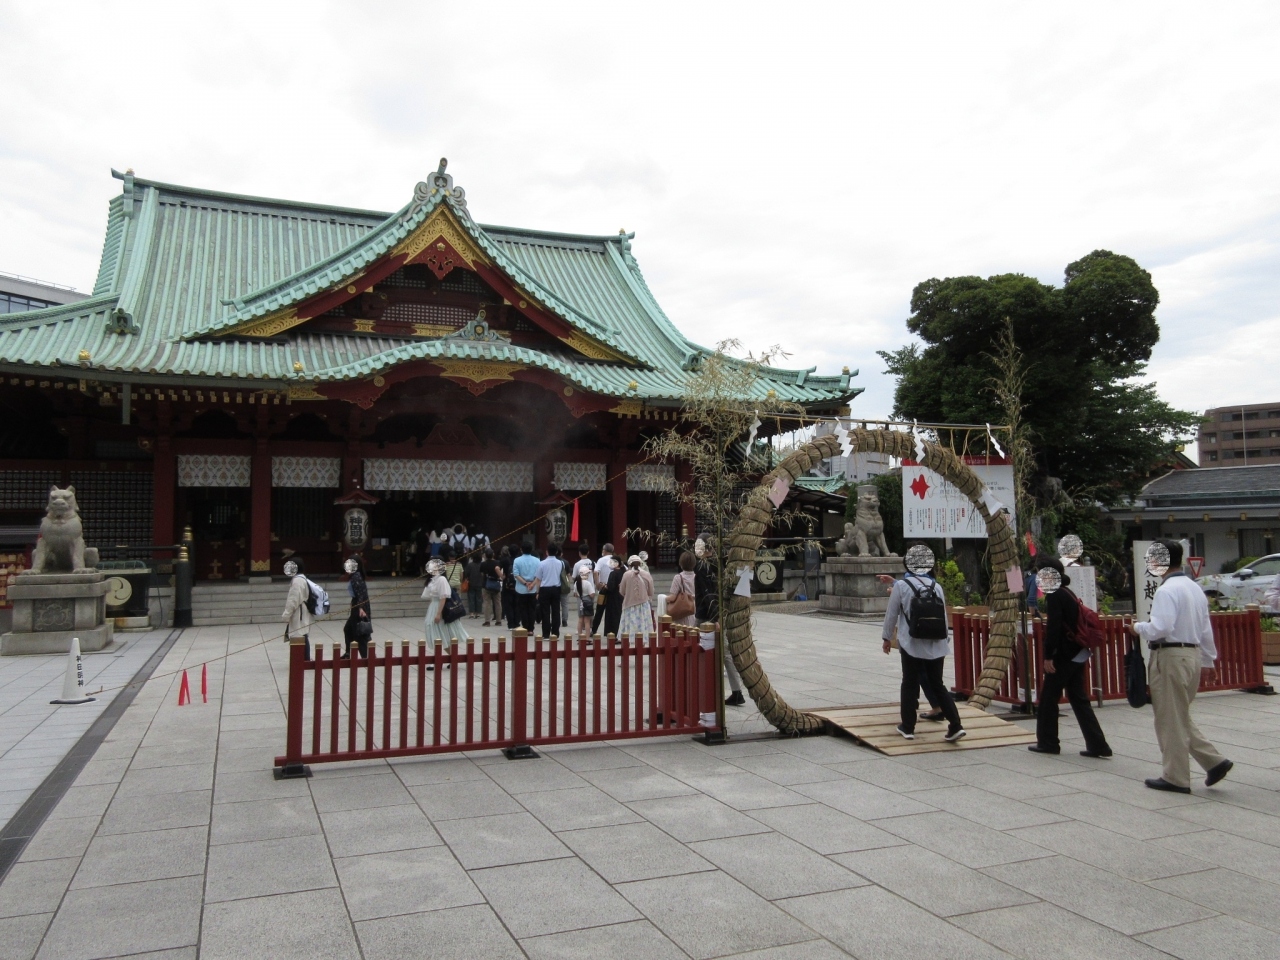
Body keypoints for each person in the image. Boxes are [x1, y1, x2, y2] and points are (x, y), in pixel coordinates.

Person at [1129, 539, 1232, 793]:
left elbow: (1160, 628)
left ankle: (1176, 777)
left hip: (1171, 656)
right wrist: (1208, 660)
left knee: (1170, 719)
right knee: (1178, 714)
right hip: (1192, 655)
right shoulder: (1194, 588)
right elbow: (1205, 628)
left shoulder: (1166, 591)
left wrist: (1137, 627)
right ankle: (1213, 761)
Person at [880, 548, 966, 742]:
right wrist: (944, 640)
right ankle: (956, 725)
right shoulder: (936, 586)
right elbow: (943, 617)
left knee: (909, 684)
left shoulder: (902, 586)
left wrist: (886, 638)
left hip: (911, 642)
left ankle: (908, 727)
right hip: (936, 643)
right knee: (938, 684)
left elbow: (891, 614)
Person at [1028, 557, 1111, 757]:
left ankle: (1048, 742)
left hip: (1063, 655)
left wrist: (1049, 656)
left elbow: (1054, 628)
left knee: (1048, 699)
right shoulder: (1067, 592)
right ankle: (1098, 745)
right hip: (1077, 652)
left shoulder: (1055, 595)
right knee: (1078, 698)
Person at [692, 534, 745, 705]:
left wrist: (716, 618)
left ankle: (702, 689)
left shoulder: (702, 566)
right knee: (725, 653)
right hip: (723, 612)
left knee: (699, 650)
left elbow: (708, 593)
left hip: (706, 615)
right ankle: (736, 690)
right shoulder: (722, 563)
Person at [422, 559, 469, 660]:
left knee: (440, 633)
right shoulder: (431, 580)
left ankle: (448, 658)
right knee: (434, 631)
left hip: (441, 607)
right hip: (433, 606)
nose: (432, 568)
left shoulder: (442, 579)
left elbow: (443, 597)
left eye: (435, 566)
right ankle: (451, 658)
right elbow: (430, 596)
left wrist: (438, 613)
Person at [281, 557, 314, 661]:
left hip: (299, 613)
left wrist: (286, 615)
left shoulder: (297, 581)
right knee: (302, 634)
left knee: (299, 635)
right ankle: (304, 659)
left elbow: (293, 600)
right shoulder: (302, 578)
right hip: (302, 611)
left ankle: (303, 659)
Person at [618, 555, 655, 640]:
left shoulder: (626, 575)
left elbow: (622, 591)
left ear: (629, 564)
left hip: (629, 605)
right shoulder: (647, 574)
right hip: (644, 605)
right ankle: (643, 642)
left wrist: (629, 594)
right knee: (643, 626)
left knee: (628, 630)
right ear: (641, 563)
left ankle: (629, 642)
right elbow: (651, 592)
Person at [341, 555, 371, 658]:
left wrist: (361, 608)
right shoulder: (356, 575)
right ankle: (348, 653)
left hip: (359, 606)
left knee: (359, 633)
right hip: (357, 604)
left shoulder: (356, 577)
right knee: (348, 629)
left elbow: (360, 594)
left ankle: (365, 657)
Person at [535, 542, 566, 639]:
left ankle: (546, 633)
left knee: (545, 611)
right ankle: (555, 633)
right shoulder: (561, 563)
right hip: (556, 588)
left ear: (547, 552)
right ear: (556, 552)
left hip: (545, 589)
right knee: (556, 611)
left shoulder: (541, 563)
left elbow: (538, 579)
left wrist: (537, 592)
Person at [512, 541, 540, 632]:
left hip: (521, 588)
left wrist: (525, 583)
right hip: (532, 588)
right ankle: (531, 629)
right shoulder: (537, 560)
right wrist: (532, 584)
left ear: (521, 550)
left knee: (522, 609)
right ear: (531, 550)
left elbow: (516, 574)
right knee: (532, 609)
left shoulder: (517, 560)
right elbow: (539, 575)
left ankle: (525, 627)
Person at [668, 551, 698, 627]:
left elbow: (672, 597)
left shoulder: (678, 577)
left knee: (682, 631)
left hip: (683, 609)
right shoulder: (697, 577)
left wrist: (663, 598)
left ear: (681, 564)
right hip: (694, 608)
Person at [591, 543, 615, 635]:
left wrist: (597, 584)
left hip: (603, 588)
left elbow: (595, 572)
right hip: (612, 588)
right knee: (611, 610)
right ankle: (610, 630)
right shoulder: (615, 559)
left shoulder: (601, 560)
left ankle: (594, 630)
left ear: (604, 551)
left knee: (599, 610)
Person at [602, 555, 624, 638]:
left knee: (612, 615)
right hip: (621, 596)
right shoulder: (623, 572)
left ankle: (612, 633)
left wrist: (605, 586)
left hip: (613, 597)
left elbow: (610, 587)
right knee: (619, 614)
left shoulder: (613, 573)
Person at [479, 547, 502, 627]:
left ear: (485, 555)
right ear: (493, 554)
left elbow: (482, 574)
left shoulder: (483, 564)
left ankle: (487, 621)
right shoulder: (497, 562)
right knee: (498, 602)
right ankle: (498, 620)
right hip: (496, 583)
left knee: (487, 602)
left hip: (486, 584)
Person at [575, 565, 597, 642]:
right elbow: (592, 594)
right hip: (587, 602)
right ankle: (587, 638)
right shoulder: (587, 583)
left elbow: (575, 594)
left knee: (580, 620)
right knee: (587, 621)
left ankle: (580, 636)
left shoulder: (576, 583)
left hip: (580, 601)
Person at [499, 545, 519, 630]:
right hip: (518, 584)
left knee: (508, 605)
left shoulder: (505, 560)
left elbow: (497, 568)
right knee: (517, 604)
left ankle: (510, 624)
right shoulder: (519, 560)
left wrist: (502, 577)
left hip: (507, 585)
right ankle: (517, 623)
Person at [464, 553, 485, 619]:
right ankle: (478, 613)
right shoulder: (482, 565)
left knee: (471, 598)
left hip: (471, 583)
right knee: (479, 598)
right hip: (480, 583)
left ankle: (472, 613)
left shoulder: (470, 565)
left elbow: (466, 574)